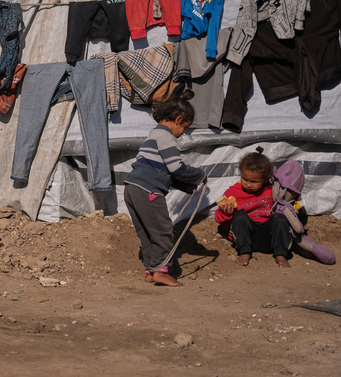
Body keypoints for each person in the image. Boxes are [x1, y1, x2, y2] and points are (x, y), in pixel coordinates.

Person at [123, 93, 207, 287]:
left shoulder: (153, 135)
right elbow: (176, 167)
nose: (182, 133)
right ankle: (161, 271)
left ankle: (151, 270)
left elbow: (160, 170)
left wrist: (183, 186)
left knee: (147, 232)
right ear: (178, 119)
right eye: (184, 128)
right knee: (162, 231)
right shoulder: (167, 137)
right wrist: (199, 175)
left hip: (133, 188)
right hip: (148, 190)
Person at [214, 150, 293, 268]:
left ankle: (280, 253)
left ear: (266, 179)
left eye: (254, 182)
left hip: (269, 236)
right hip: (246, 236)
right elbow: (218, 218)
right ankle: (244, 251)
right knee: (240, 215)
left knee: (280, 218)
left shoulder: (271, 191)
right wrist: (226, 213)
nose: (248, 184)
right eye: (245, 179)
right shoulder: (233, 192)